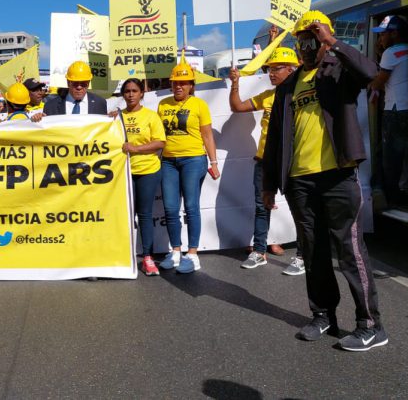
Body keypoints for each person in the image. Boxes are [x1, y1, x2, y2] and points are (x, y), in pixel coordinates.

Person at [262, 11, 386, 351]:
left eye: (312, 39)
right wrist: (269, 184)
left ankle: (371, 325)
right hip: (301, 181)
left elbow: (372, 73)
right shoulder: (288, 86)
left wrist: (333, 42)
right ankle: (323, 315)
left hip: (338, 176)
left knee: (350, 251)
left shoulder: (339, 70)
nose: (306, 46)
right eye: (301, 40)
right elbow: (275, 139)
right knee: (313, 253)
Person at [229, 46, 304, 274]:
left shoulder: (302, 94)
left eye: (276, 69)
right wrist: (235, 83)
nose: (271, 73)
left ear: (291, 70)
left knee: (301, 210)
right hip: (264, 161)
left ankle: (303, 256)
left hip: (293, 161)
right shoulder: (268, 96)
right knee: (262, 208)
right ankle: (259, 251)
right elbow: (237, 106)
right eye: (269, 69)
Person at [157, 61, 219, 274]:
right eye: (175, 83)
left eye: (184, 83)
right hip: (168, 161)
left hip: (193, 160)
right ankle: (175, 251)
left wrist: (214, 162)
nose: (179, 87)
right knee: (171, 208)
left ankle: (192, 255)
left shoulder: (199, 105)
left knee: (191, 207)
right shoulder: (162, 104)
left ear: (192, 85)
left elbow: (207, 135)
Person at [118, 78, 165, 275]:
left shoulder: (151, 116)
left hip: (147, 171)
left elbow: (160, 143)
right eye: (127, 91)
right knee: (125, 216)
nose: (130, 94)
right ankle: (123, 256)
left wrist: (135, 148)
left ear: (141, 94)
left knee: (144, 215)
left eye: (134, 91)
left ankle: (147, 257)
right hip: (123, 173)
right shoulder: (117, 117)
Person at [369, 15, 408, 207]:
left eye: (382, 35)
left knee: (389, 158)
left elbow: (379, 82)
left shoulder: (391, 53)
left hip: (394, 111)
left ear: (394, 33)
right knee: (406, 154)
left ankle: (391, 198)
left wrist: (370, 84)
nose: (380, 40)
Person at [41, 61, 108, 116]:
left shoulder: (100, 103)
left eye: (83, 84)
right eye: (75, 83)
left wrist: (114, 119)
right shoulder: (50, 106)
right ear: (68, 83)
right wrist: (36, 121)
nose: (79, 87)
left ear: (88, 83)